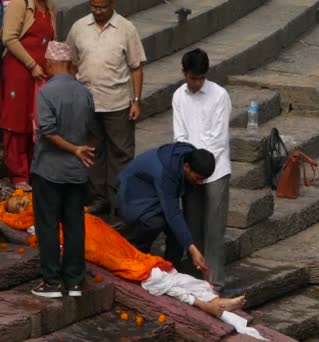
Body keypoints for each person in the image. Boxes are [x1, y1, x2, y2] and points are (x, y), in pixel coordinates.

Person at [0, 193, 270, 341]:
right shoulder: (36, 221)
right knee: (151, 276)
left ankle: (214, 300)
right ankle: (206, 305)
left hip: (103, 235)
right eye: (19, 207)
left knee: (159, 268)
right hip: (94, 246)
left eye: (22, 199)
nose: (24, 204)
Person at [29, 41, 96, 298]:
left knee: (47, 225)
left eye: (47, 62)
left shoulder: (46, 92)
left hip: (49, 171)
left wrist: (72, 149)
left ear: (53, 63)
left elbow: (47, 131)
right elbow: (90, 128)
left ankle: (52, 282)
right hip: (77, 173)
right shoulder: (85, 93)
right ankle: (75, 281)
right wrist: (79, 150)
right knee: (74, 225)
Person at [66, 0, 146, 214]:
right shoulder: (79, 27)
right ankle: (98, 198)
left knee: (121, 153)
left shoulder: (126, 29)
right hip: (87, 104)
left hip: (118, 103)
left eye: (102, 7)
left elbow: (136, 67)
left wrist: (136, 100)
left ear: (112, 4)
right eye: (93, 7)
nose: (97, 11)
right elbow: (71, 64)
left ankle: (120, 200)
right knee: (93, 153)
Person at [172, 48, 231, 291]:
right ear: (184, 73)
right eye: (192, 78)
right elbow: (179, 134)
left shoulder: (219, 95)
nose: (196, 83)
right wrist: (191, 168)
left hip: (216, 169)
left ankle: (214, 281)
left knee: (214, 229)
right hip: (190, 169)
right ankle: (195, 280)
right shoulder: (179, 96)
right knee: (192, 225)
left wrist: (202, 168)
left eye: (200, 78)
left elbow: (218, 139)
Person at [117, 142, 213, 276]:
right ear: (186, 167)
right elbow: (172, 213)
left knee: (178, 232)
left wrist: (188, 242)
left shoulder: (188, 155)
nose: (199, 183)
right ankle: (135, 256)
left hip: (154, 195)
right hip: (133, 198)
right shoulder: (166, 172)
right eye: (198, 179)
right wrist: (193, 250)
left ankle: (171, 271)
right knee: (156, 222)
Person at [1, 0, 56, 191]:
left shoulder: (49, 7)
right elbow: (9, 37)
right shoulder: (20, 3)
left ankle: (34, 170)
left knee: (37, 120)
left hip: (41, 73)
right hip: (19, 69)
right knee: (16, 119)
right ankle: (18, 174)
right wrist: (31, 65)